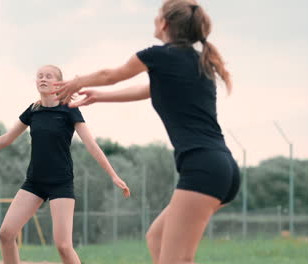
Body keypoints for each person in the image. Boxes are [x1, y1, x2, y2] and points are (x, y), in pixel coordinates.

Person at [52, 1, 240, 263]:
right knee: (156, 238)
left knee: (175, 259)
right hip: (222, 167)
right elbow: (151, 90)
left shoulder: (158, 55)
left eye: (157, 16)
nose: (154, 20)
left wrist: (77, 81)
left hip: (203, 167)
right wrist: (100, 96)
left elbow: (111, 74)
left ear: (164, 23)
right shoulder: (198, 62)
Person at [0, 65, 130, 264]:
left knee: (63, 246)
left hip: (61, 183)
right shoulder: (33, 110)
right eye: (40, 76)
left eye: (48, 76)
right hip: (34, 183)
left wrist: (114, 175)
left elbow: (91, 145)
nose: (43, 79)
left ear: (58, 83)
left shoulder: (69, 110)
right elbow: (7, 139)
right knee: (6, 234)